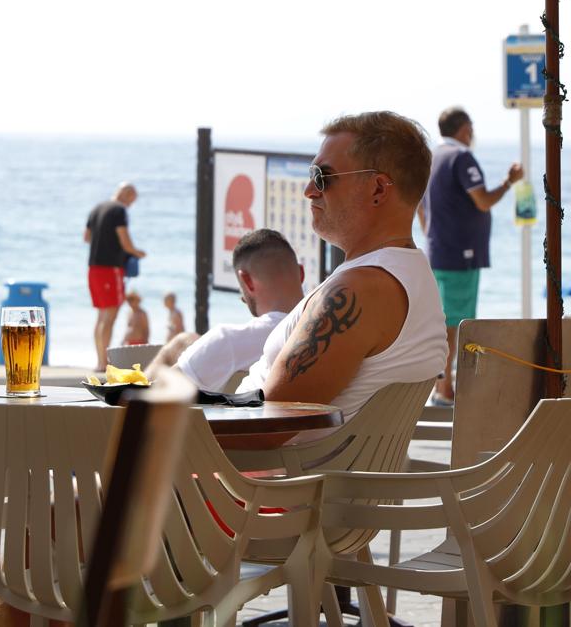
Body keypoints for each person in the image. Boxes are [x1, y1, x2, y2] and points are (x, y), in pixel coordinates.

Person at [232, 111, 448, 448]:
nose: (308, 191)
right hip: (287, 485)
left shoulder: (360, 290)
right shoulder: (408, 274)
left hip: (261, 490)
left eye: (322, 177)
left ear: (378, 188)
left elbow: (267, 427)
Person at [417, 107, 524, 404]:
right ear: (464, 129)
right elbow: (483, 200)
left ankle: (441, 386)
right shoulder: (461, 158)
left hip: (439, 252)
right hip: (459, 256)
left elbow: (420, 206)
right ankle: (444, 390)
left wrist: (432, 237)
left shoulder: (432, 158)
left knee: (444, 322)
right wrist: (509, 181)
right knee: (456, 325)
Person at [155, 229, 305, 392]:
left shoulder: (228, 341)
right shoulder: (318, 335)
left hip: (229, 415)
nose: (242, 298)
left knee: (174, 348)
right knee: (185, 341)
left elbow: (156, 396)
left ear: (247, 281)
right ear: (301, 274)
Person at [84, 182, 146, 371]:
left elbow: (87, 237)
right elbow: (125, 240)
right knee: (110, 315)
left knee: (102, 315)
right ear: (127, 194)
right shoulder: (119, 211)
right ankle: (104, 363)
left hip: (94, 268)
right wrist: (136, 253)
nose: (130, 206)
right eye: (131, 201)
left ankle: (100, 360)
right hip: (110, 269)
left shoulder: (96, 208)